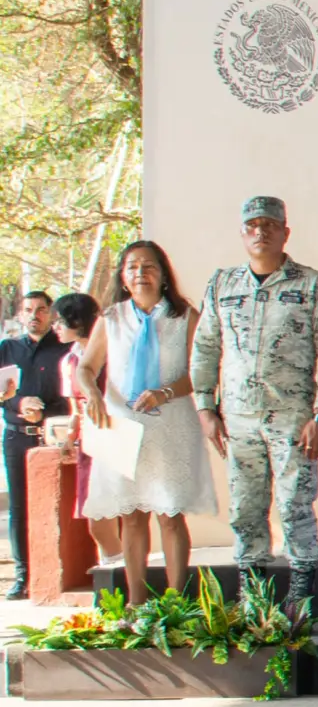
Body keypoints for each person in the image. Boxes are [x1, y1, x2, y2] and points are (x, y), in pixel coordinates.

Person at [190, 195, 318, 611]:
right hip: (238, 419)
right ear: (243, 233)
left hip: (294, 419)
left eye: (270, 225)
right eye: (253, 225)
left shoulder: (312, 285)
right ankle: (253, 594)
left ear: (285, 233)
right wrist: (206, 407)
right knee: (245, 507)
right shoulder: (222, 284)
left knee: (295, 503)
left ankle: (301, 592)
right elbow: (205, 347)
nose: (261, 232)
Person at [80, 246, 221, 605]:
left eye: (149, 266)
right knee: (131, 516)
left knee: (170, 514)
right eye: (132, 267)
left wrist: (165, 392)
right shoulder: (111, 318)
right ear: (123, 278)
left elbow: (202, 372)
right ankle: (137, 601)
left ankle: (176, 602)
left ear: (163, 274)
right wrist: (92, 394)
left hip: (171, 425)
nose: (140, 272)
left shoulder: (184, 316)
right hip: (124, 428)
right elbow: (86, 368)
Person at [1, 291, 67, 600]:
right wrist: (20, 403)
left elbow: (70, 398)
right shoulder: (8, 349)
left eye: (41, 310)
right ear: (19, 314)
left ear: (51, 314)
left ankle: (55, 573)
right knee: (19, 508)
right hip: (16, 436)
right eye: (28, 310)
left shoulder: (65, 348)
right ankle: (22, 575)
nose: (34, 315)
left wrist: (45, 413)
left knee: (56, 507)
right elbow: (1, 392)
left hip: (53, 437)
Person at [50, 295, 106, 573]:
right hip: (88, 440)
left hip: (113, 434)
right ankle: (109, 566)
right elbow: (74, 406)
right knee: (91, 510)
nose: (55, 328)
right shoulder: (69, 360)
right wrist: (69, 439)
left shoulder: (110, 352)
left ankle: (118, 568)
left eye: (60, 321)